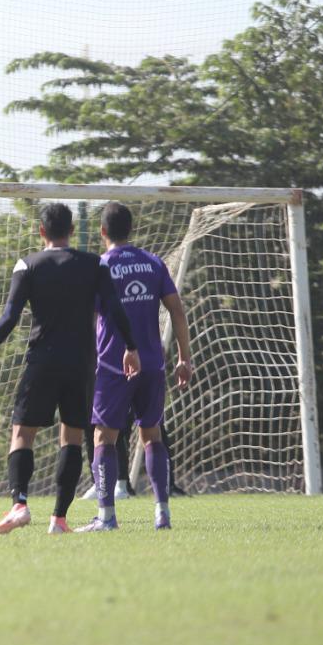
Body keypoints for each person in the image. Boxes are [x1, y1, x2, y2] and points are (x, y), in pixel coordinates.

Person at [0, 203, 139, 536]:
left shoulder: (28, 264)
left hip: (43, 360)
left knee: (22, 434)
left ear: (41, 231)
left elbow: (10, 314)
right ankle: (59, 520)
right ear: (73, 231)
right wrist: (131, 348)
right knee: (72, 437)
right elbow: (114, 309)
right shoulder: (94, 264)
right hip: (81, 363)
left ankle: (20, 504)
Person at [79, 202, 193, 532]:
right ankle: (162, 513)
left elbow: (89, 317)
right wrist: (185, 358)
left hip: (114, 365)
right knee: (151, 435)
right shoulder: (153, 263)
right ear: (132, 230)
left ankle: (106, 517)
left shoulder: (100, 267)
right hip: (153, 364)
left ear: (102, 232)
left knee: (103, 437)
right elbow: (177, 311)